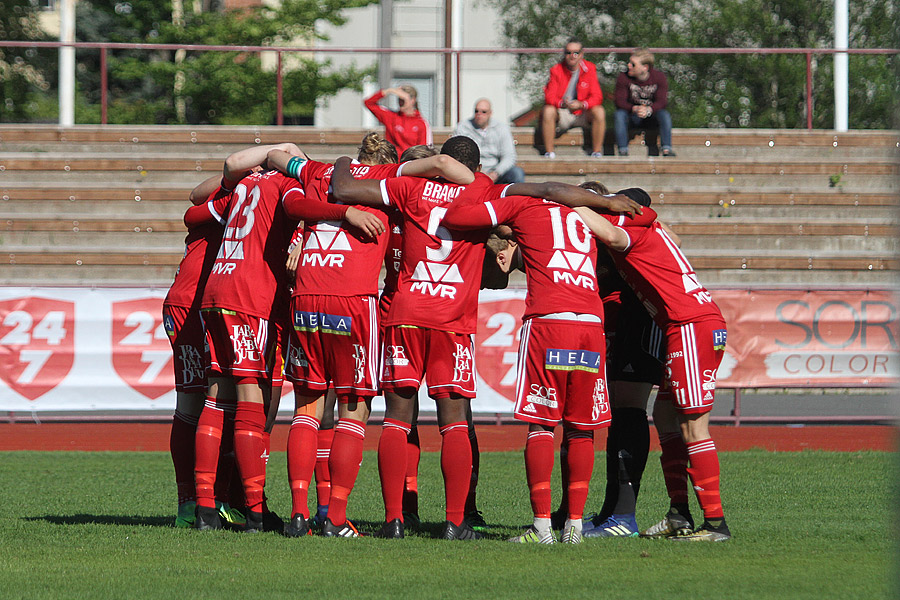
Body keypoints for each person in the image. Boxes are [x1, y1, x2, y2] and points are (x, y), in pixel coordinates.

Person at [329, 136, 491, 541]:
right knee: (454, 423)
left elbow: (344, 189)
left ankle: (395, 519)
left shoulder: (406, 190)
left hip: (402, 313)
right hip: (452, 319)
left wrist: (343, 160)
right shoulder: (480, 189)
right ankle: (457, 521)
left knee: (398, 420)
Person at [576, 189, 732, 542]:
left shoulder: (630, 230)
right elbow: (665, 233)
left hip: (689, 325)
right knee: (665, 418)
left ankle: (716, 524)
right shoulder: (655, 228)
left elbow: (614, 234)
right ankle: (679, 513)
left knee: (694, 427)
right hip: (690, 324)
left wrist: (566, 202)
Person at [539, 37, 606, 158]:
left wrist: (582, 104)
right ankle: (549, 152)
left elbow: (597, 96)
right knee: (548, 111)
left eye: (576, 52)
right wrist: (562, 104)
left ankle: (596, 152)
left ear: (581, 54)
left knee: (599, 111)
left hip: (583, 112)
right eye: (568, 53)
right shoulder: (556, 70)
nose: (572, 56)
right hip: (563, 111)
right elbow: (549, 97)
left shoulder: (590, 68)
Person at [613, 48, 675, 157]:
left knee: (664, 115)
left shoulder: (659, 77)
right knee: (619, 115)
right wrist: (635, 108)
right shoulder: (623, 77)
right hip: (632, 116)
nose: (629, 66)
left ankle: (667, 149)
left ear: (645, 67)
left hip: (651, 116)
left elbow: (662, 102)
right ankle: (623, 150)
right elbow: (619, 101)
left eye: (633, 64)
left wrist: (648, 110)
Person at [454, 99, 525, 184]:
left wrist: (496, 173)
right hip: (471, 172)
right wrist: (477, 171)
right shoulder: (463, 127)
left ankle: (518, 197)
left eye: (483, 112)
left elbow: (509, 156)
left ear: (490, 113)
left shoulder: (501, 128)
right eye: (476, 111)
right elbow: (457, 154)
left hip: (496, 172)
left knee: (517, 173)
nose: (479, 114)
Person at [364, 85, 433, 155]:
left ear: (413, 100)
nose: (400, 102)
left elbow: (425, 150)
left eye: (403, 100)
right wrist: (389, 91)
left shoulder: (421, 123)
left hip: (410, 163)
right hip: (392, 162)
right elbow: (369, 103)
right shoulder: (391, 117)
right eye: (399, 99)